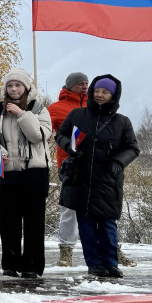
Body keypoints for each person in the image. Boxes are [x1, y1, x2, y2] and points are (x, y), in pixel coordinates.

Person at [49, 72, 137, 269]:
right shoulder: (76, 114)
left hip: (107, 178)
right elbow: (59, 134)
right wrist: (68, 147)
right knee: (84, 222)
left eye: (104, 91)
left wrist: (119, 162)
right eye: (96, 90)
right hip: (79, 174)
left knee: (107, 222)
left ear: (113, 95)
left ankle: (111, 262)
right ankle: (93, 264)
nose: (98, 94)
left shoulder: (122, 121)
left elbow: (132, 147)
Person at [0, 68, 52, 279]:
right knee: (8, 222)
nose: (14, 89)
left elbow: (38, 135)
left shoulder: (39, 109)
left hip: (34, 171)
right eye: (10, 85)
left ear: (26, 87)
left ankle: (32, 266)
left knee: (34, 222)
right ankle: (10, 264)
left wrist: (22, 115)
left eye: (18, 85)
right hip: (10, 172)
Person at [47, 72, 87, 267]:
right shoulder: (55, 109)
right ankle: (66, 251)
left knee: (101, 208)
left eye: (87, 83)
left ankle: (112, 248)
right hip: (69, 165)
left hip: (95, 165)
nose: (85, 86)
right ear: (70, 86)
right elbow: (45, 132)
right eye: (80, 83)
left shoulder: (95, 107)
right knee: (69, 208)